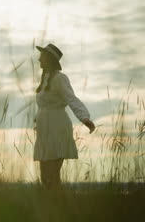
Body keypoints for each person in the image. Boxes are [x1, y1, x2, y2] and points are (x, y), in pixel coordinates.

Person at [34, 44, 95, 188]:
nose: (39, 59)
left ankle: (58, 206)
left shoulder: (60, 78)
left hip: (57, 128)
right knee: (45, 177)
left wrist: (84, 118)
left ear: (49, 59)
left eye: (42, 56)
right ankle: (52, 206)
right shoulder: (45, 79)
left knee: (52, 176)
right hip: (45, 130)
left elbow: (71, 98)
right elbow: (44, 104)